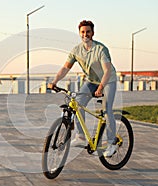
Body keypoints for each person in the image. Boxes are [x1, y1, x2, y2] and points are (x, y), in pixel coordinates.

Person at [48, 20, 118, 157]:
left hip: (108, 81)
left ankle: (112, 143)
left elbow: (107, 70)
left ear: (93, 33)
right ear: (79, 33)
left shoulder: (100, 49)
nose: (85, 34)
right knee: (77, 104)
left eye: (88, 32)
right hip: (91, 81)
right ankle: (80, 136)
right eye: (82, 32)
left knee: (107, 109)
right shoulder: (76, 50)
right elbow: (65, 68)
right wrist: (55, 81)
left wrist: (101, 87)